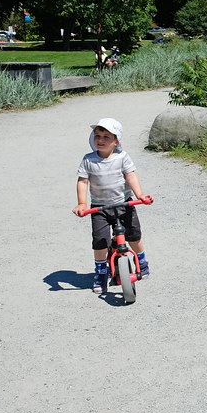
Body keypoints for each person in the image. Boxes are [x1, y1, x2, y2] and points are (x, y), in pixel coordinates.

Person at [72, 118, 152, 294]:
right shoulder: (88, 160)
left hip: (124, 204)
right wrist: (82, 203)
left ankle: (142, 260)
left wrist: (140, 196)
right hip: (99, 208)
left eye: (106, 136)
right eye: (97, 136)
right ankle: (101, 272)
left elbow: (131, 176)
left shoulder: (122, 157)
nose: (100, 140)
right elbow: (83, 181)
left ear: (116, 141)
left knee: (133, 235)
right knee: (100, 242)